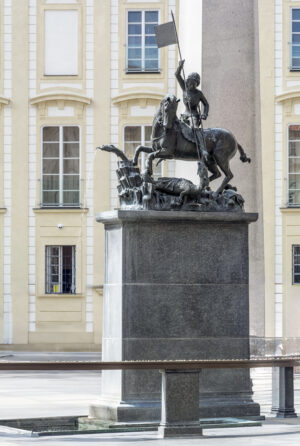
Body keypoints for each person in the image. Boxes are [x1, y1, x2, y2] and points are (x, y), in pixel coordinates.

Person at [175, 59, 209, 162]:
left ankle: (203, 149)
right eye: (190, 82)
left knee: (195, 128)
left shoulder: (198, 94)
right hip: (184, 114)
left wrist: (204, 114)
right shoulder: (184, 88)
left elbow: (206, 104)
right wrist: (180, 66)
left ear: (196, 84)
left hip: (194, 115)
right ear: (188, 81)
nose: (191, 85)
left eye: (194, 83)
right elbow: (177, 75)